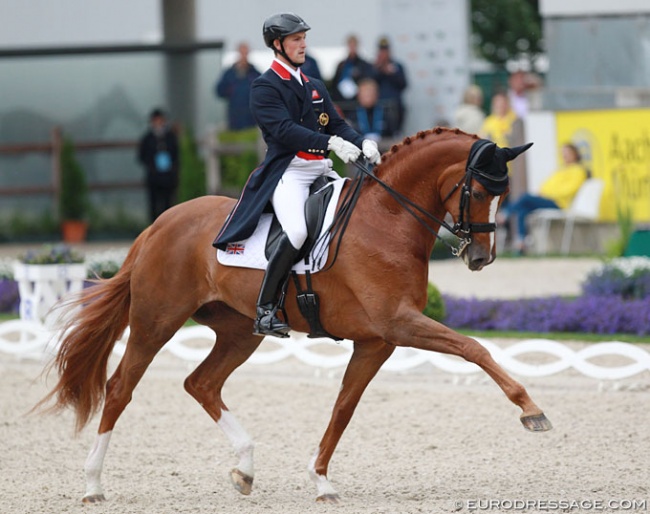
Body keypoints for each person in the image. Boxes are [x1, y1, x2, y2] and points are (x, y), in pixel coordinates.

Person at [212, 13, 381, 337]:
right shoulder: (264, 87)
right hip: (289, 172)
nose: (303, 44)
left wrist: (362, 142)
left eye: (304, 38)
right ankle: (265, 309)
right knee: (298, 231)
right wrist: (330, 142)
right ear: (278, 45)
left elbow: (337, 123)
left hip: (320, 170)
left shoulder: (314, 85)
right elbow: (284, 131)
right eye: (295, 39)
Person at [498, 143, 588, 253]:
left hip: (559, 203)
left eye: (567, 153)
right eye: (563, 153)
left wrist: (549, 193)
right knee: (522, 210)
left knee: (526, 197)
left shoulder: (578, 170)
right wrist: (545, 192)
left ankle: (506, 213)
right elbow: (546, 185)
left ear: (575, 154)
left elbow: (570, 189)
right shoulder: (562, 170)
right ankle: (521, 243)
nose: (565, 155)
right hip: (549, 199)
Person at [137, 108, 180, 223]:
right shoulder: (147, 138)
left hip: (168, 177)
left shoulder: (171, 137)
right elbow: (141, 156)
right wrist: (152, 166)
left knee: (168, 205)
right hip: (154, 177)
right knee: (153, 206)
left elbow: (177, 155)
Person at [215, 42, 262, 130]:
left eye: (246, 52)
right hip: (234, 118)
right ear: (238, 52)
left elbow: (264, 93)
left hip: (252, 119)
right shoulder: (229, 74)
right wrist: (230, 91)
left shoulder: (255, 74)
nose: (243, 55)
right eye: (241, 52)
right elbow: (219, 91)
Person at [330, 34, 374, 117]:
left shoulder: (364, 65)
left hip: (357, 103)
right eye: (350, 45)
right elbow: (335, 84)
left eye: (354, 45)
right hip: (343, 102)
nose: (352, 48)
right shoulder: (342, 65)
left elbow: (368, 83)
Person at [372, 36, 408, 135]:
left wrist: (391, 74)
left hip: (395, 106)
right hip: (379, 106)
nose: (384, 53)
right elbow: (370, 84)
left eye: (385, 50)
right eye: (381, 50)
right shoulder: (374, 67)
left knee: (396, 132)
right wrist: (379, 69)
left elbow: (404, 84)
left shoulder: (397, 66)